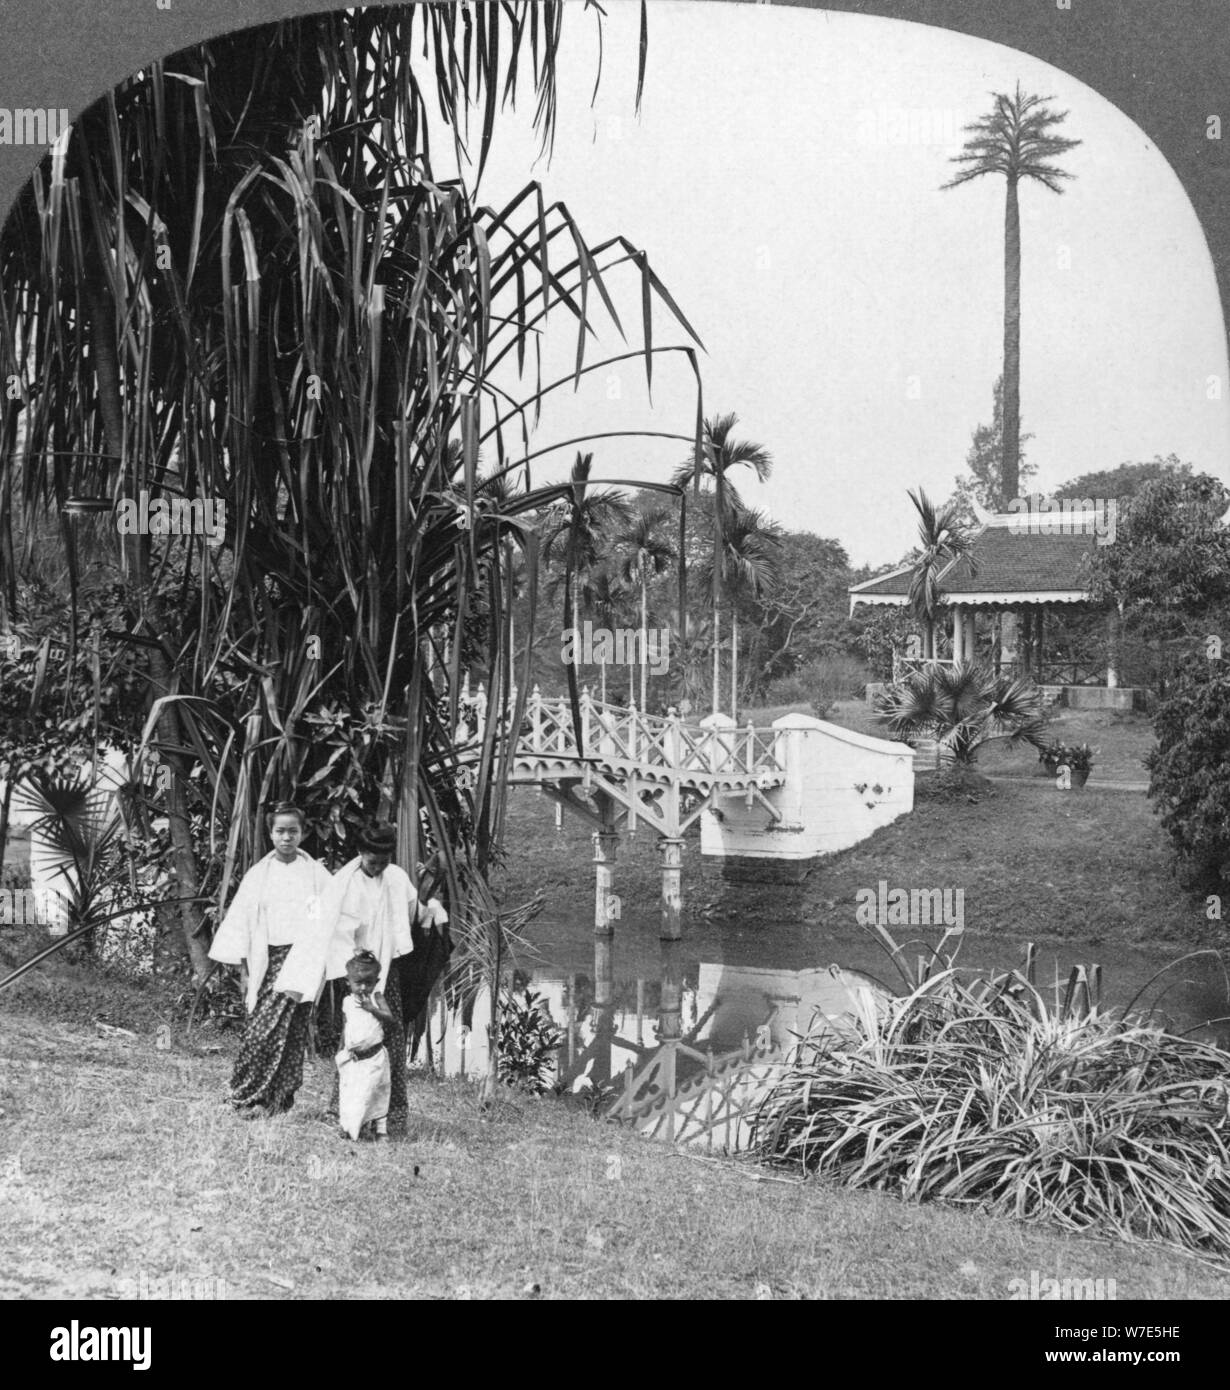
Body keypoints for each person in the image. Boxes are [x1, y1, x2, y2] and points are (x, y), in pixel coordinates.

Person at [275, 821, 446, 1136]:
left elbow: (414, 913)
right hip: (357, 974)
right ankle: (344, 1112)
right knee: (356, 1042)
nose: (378, 867)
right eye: (372, 861)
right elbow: (331, 933)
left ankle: (390, 1118)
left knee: (391, 1040)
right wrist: (355, 978)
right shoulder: (345, 885)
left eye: (383, 861)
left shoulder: (396, 878)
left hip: (388, 972)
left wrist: (431, 903)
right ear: (360, 853)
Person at [207, 801, 333, 1115]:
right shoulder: (258, 874)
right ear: (271, 833)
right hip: (267, 958)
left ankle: (277, 1101)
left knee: (290, 1032)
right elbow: (242, 923)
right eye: (280, 831)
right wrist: (246, 969)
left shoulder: (316, 875)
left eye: (293, 831)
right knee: (261, 1030)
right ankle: (244, 1094)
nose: (286, 837)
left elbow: (326, 920)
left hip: (301, 960)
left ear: (303, 833)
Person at [336, 950, 394, 1141]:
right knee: (352, 1093)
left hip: (374, 1057)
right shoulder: (347, 1002)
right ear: (348, 981)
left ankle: (381, 1131)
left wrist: (373, 1009)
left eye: (368, 983)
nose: (362, 988)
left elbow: (391, 1020)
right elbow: (347, 1027)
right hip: (354, 1058)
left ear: (376, 982)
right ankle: (350, 1127)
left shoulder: (377, 998)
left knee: (374, 1093)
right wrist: (341, 1051)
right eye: (357, 983)